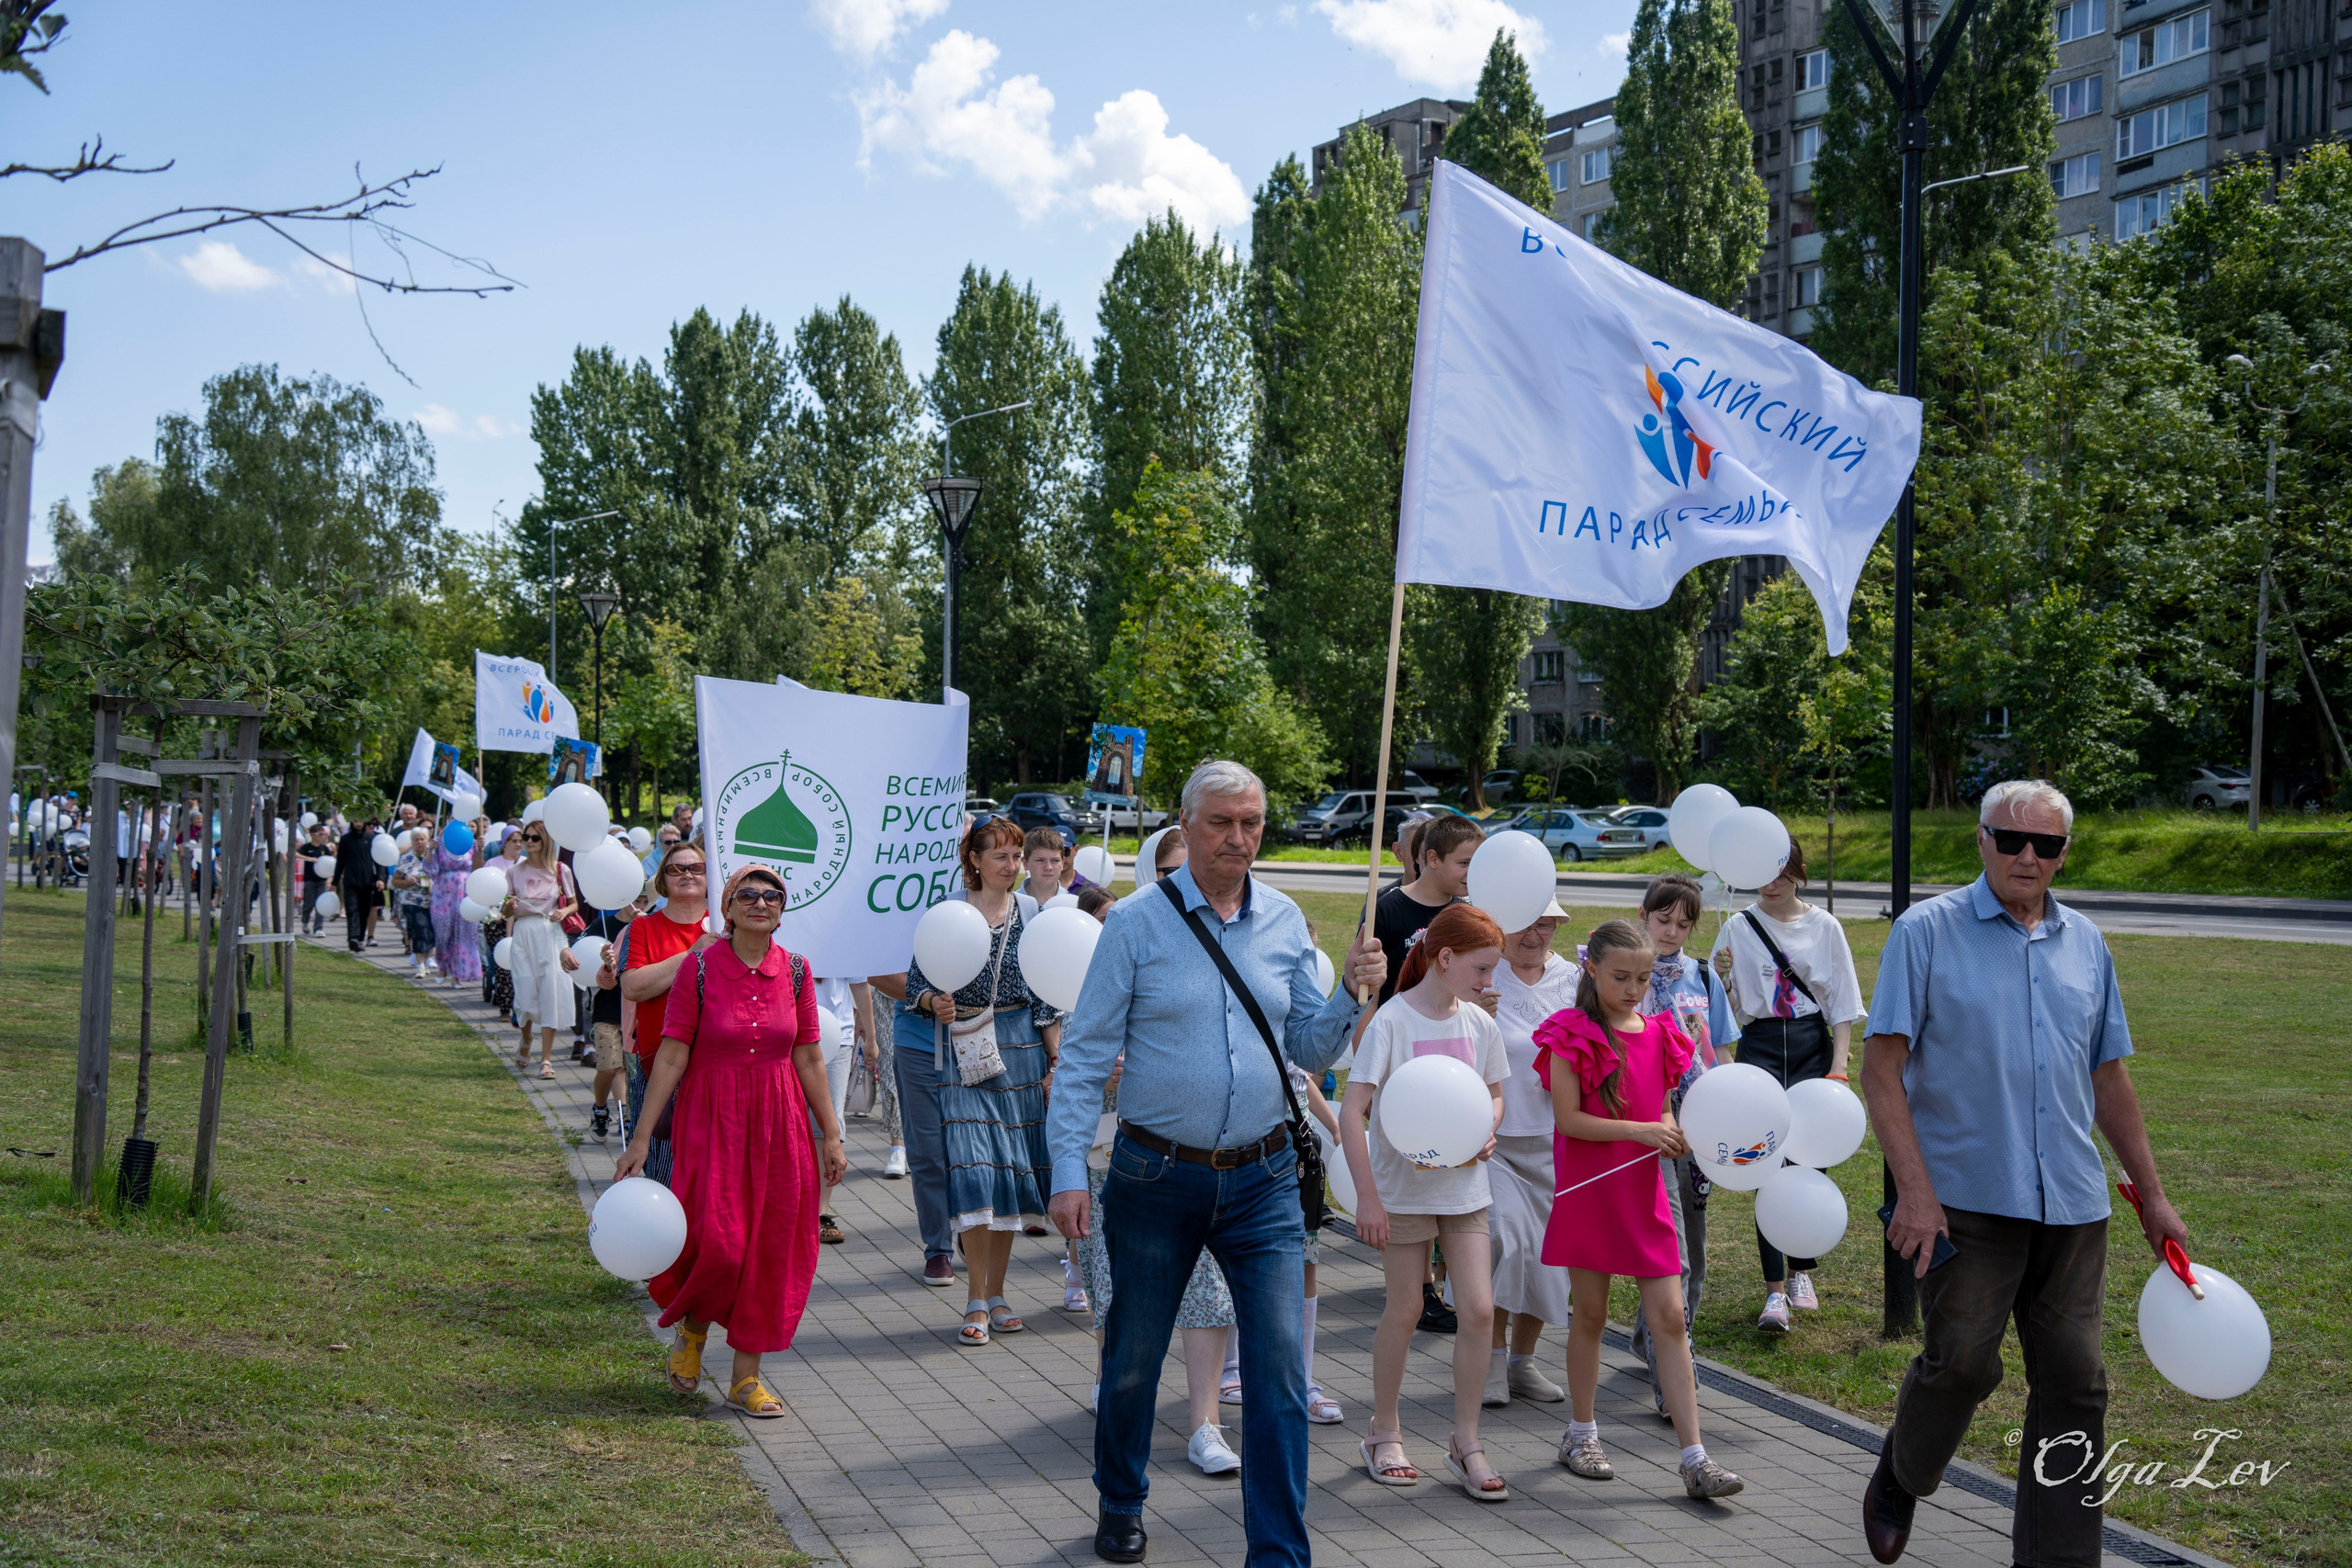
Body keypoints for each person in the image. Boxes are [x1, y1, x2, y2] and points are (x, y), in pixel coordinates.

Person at [1048, 759, 1386, 1568]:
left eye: (1251, 822)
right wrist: (1065, 1167)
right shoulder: (1135, 924)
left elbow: (1306, 1048)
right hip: (1155, 1176)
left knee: (1276, 1374)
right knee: (1132, 1357)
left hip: (1265, 1177)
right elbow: (1088, 1053)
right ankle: (1121, 1497)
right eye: (1221, 822)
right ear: (1186, 823)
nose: (1239, 838)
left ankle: (1278, 1549)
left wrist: (1350, 996)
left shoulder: (1284, 919)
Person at [1858, 780, 2185, 1568]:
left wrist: (2154, 1195)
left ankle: (2058, 1560)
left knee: (2075, 1381)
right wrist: (1915, 1191)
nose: (2028, 856)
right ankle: (1902, 1471)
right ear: (1981, 841)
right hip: (1963, 1198)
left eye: (2046, 844)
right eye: (2012, 840)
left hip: (2073, 1201)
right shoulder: (1926, 931)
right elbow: (1881, 1068)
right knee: (1963, 1361)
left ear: (2064, 852)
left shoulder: (2087, 942)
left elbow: (2110, 1077)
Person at [616, 865, 847, 1417]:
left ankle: (747, 1377)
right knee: (717, 1241)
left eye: (772, 896)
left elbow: (810, 1056)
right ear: (728, 905)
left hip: (780, 1122)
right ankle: (692, 1334)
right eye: (748, 894)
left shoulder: (795, 970)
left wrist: (832, 1136)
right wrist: (642, 1138)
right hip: (710, 1118)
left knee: (772, 1248)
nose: (760, 903)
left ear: (782, 909)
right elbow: (671, 1054)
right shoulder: (698, 966)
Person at [1540, 919, 1743, 1501]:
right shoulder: (1571, 1033)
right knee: (1591, 1316)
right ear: (1592, 970)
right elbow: (1569, 1120)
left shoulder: (1660, 1032)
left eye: (1643, 978)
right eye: (1620, 977)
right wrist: (1646, 1129)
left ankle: (1695, 1457)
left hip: (1644, 1192)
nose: (1633, 989)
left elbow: (1667, 1109)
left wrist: (1671, 1128)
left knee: (1672, 1319)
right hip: (1590, 1191)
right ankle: (1581, 1434)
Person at [1342, 903, 1511, 1500]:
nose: (1490, 982)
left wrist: (1485, 1127)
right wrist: (1368, 1196)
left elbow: (1493, 1094)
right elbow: (1351, 1109)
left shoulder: (1479, 1024)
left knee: (1481, 1309)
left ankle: (1466, 1439)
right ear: (1445, 958)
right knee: (1406, 1308)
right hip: (1402, 1188)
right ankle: (1382, 1432)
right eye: (1483, 969)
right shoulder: (1393, 1020)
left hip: (1464, 1187)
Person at [892, 817, 1058, 1343]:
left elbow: (1046, 994)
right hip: (963, 1049)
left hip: (1021, 1052)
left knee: (1007, 1175)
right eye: (1002, 856)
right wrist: (930, 1001)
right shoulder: (948, 914)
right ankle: (974, 1302)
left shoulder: (1031, 912)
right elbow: (917, 982)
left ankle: (999, 1293)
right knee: (974, 1171)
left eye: (1017, 856)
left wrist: (1057, 1063)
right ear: (975, 861)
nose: (1012, 866)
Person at [1717, 833, 1863, 1332]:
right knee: (1765, 1163)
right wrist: (1724, 978)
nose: (1771, 883)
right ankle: (1774, 1291)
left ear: (1797, 870)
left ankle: (1804, 1269)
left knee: (1811, 1158)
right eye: (1761, 872)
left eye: (1781, 871)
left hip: (1810, 1046)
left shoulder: (1825, 927)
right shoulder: (1737, 926)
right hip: (1759, 1048)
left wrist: (1838, 1068)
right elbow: (1724, 1009)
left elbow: (1843, 1003)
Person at [1358, 811, 1487, 1336]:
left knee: (1452, 1173)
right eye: (1464, 862)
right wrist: (1367, 1059)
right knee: (1413, 1175)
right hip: (1402, 1070)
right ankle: (1421, 1291)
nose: (1470, 872)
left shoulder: (1468, 913)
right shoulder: (1388, 909)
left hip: (1454, 1071)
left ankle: (1439, 1282)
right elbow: (1369, 994)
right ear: (1430, 858)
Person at [1628, 873, 1740, 1411]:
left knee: (1689, 1245)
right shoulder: (1626, 975)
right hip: (1638, 1125)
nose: (1671, 930)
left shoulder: (1702, 976)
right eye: (1662, 919)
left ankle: (1665, 1340)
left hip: (1694, 1126)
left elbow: (1721, 1050)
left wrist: (1726, 1111)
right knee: (1661, 1248)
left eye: (1683, 923)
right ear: (1644, 915)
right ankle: (1670, 1369)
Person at [1484, 897, 1577, 1408]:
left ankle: (1523, 1362)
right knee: (1502, 1241)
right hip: (1493, 1138)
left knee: (1548, 1255)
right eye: (1523, 923)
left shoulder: (1574, 979)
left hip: (1556, 1136)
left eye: (1545, 924)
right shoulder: (1483, 971)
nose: (1534, 935)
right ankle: (1490, 1362)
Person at [619, 842, 710, 1185]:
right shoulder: (642, 928)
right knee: (665, 1174)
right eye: (676, 869)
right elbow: (633, 987)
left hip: (719, 1072)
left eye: (696, 868)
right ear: (662, 880)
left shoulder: (730, 926)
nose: (687, 874)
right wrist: (693, 954)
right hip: (658, 1068)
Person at [500, 821, 582, 1078]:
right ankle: (526, 1037)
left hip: (551, 933)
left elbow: (573, 904)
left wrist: (563, 911)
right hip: (523, 933)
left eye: (534, 837)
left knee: (552, 992)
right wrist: (509, 908)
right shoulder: (514, 871)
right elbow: (504, 910)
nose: (528, 841)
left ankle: (546, 1059)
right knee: (524, 992)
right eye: (525, 837)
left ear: (545, 840)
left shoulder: (560, 870)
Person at [809, 973, 874, 1245]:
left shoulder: (843, 933)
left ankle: (820, 1213)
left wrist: (870, 1035)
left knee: (828, 1122)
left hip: (839, 1035)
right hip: (791, 1032)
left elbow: (859, 981)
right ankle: (795, 1208)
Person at [580, 899, 632, 1136]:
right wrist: (564, 953)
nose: (638, 906)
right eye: (635, 900)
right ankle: (600, 1108)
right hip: (606, 1009)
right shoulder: (603, 924)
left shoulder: (647, 926)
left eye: (644, 900)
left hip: (634, 1010)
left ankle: (625, 1116)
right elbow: (576, 948)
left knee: (625, 1068)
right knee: (609, 1067)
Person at [430, 820, 482, 988]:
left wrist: (480, 849)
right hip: (443, 893)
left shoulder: (471, 843)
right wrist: (430, 850)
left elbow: (478, 868)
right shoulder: (439, 843)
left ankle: (457, 975)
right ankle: (442, 966)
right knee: (443, 933)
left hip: (466, 891)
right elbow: (430, 869)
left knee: (464, 933)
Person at [481, 829, 522, 1017]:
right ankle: (505, 1007)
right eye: (513, 840)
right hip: (496, 919)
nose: (517, 844)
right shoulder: (492, 863)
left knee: (519, 964)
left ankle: (518, 1006)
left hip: (520, 918)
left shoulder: (525, 864)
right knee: (502, 963)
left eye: (520, 841)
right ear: (504, 843)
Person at [392, 828, 436, 976]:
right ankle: (420, 965)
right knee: (419, 929)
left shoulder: (434, 857)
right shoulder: (406, 859)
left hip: (433, 900)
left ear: (427, 840)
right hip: (412, 901)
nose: (419, 842)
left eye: (422, 839)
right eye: (416, 839)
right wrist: (406, 882)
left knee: (431, 930)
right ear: (412, 842)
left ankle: (430, 957)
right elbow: (395, 881)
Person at [335, 820, 379, 953]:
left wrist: (380, 879)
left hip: (368, 881)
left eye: (360, 821)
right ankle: (352, 938)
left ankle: (360, 938)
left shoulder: (371, 839)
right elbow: (340, 860)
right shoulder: (346, 839)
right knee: (352, 910)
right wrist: (334, 881)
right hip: (350, 881)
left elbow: (379, 860)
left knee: (364, 911)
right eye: (355, 821)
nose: (358, 824)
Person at [299, 823, 333, 935]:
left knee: (320, 904)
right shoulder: (307, 848)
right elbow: (295, 854)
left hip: (322, 880)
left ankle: (318, 928)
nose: (323, 836)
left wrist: (330, 878)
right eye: (321, 834)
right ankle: (305, 921)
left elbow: (330, 862)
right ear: (313, 835)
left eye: (324, 834)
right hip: (310, 879)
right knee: (308, 903)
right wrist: (309, 858)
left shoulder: (324, 849)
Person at [1021, 828, 1067, 903]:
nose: (1048, 867)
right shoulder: (1009, 905)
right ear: (1025, 863)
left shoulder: (1074, 905)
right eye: (1040, 860)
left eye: (1055, 860)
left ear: (1062, 863)